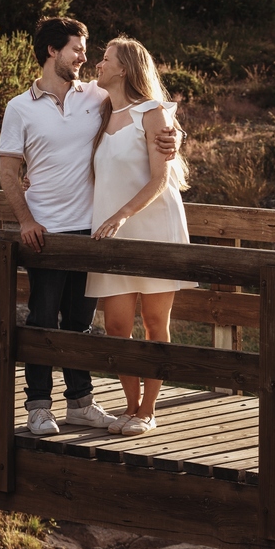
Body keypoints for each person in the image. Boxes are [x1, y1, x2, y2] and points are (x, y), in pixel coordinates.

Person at [0, 18, 181, 436]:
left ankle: (80, 403)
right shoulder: (19, 107)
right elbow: (8, 171)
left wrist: (176, 140)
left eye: (89, 51)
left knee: (80, 325)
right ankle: (38, 407)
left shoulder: (97, 95)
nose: (85, 57)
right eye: (77, 49)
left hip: (92, 232)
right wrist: (26, 220)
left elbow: (149, 109)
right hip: (46, 233)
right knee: (43, 320)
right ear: (52, 51)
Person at [85, 38, 194, 437]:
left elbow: (161, 178)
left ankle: (147, 410)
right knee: (116, 326)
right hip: (110, 234)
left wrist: (122, 214)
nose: (98, 64)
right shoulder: (99, 109)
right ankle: (129, 406)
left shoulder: (153, 112)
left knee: (153, 321)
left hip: (153, 227)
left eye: (105, 59)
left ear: (125, 68)